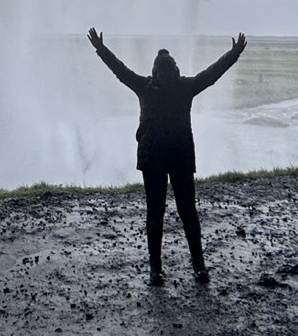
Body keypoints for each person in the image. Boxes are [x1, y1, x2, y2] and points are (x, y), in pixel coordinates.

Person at [88, 27, 247, 285]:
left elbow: (119, 70)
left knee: (157, 213)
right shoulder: (184, 86)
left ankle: (157, 270)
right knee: (186, 212)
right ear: (171, 70)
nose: (167, 73)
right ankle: (196, 267)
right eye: (168, 68)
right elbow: (211, 75)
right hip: (178, 156)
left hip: (154, 158)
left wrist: (100, 49)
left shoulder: (146, 86)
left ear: (157, 71)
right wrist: (234, 53)